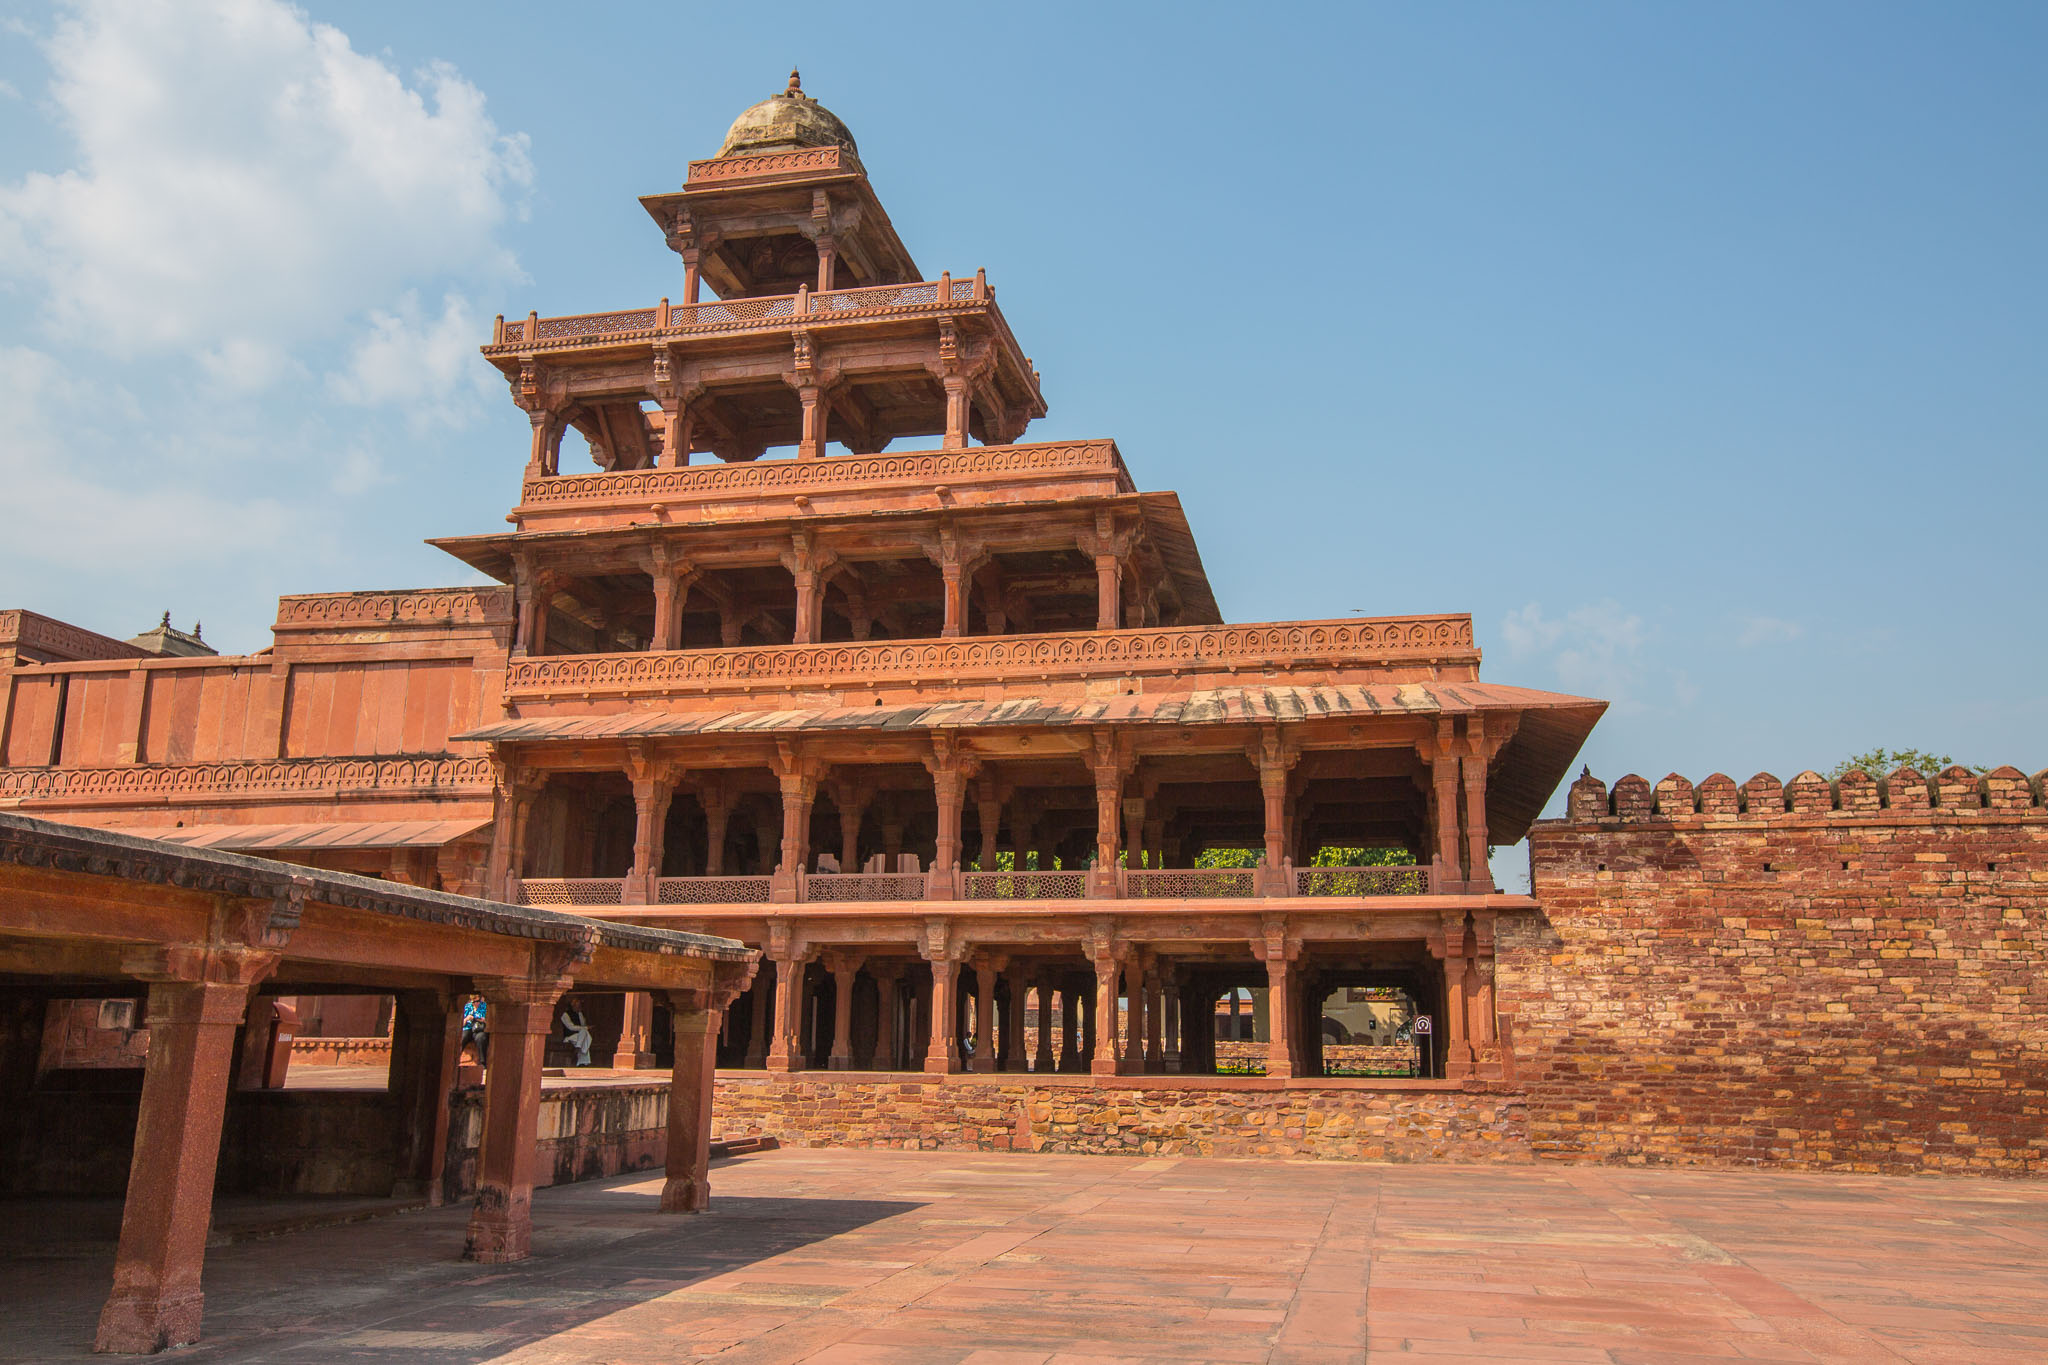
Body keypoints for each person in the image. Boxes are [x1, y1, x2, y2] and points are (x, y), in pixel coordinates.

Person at [559, 997, 593, 1066]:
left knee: (584, 1033)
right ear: (573, 1005)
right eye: (577, 1005)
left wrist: (580, 1014)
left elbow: (583, 1025)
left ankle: (578, 1047)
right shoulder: (565, 1015)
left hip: (579, 1037)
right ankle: (583, 1062)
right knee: (585, 1035)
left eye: (580, 1005)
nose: (579, 1006)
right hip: (570, 1037)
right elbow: (571, 1027)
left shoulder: (580, 1014)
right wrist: (586, 1028)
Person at [460, 993, 488, 1065]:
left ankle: (483, 1063)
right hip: (468, 1027)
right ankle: (456, 1057)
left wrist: (480, 1020)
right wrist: (467, 1019)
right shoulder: (467, 1007)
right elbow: (461, 1023)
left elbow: (488, 1021)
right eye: (474, 1002)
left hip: (479, 1028)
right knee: (463, 1037)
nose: (476, 1003)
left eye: (478, 1001)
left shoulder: (484, 1006)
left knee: (481, 1038)